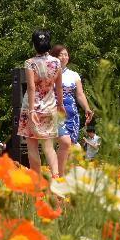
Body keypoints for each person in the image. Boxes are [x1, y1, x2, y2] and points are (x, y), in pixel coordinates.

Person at [17, 30, 65, 176]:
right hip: (49, 107)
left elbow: (31, 87)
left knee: (32, 146)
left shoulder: (30, 63)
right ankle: (56, 178)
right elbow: (59, 86)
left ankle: (36, 182)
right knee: (48, 147)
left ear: (34, 45)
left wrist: (31, 110)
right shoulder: (57, 62)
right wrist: (60, 104)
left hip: (30, 108)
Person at [51, 45, 94, 174]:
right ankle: (58, 174)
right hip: (55, 111)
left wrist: (87, 108)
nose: (64, 57)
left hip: (72, 113)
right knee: (65, 142)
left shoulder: (74, 75)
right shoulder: (49, 73)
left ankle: (63, 174)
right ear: (54, 57)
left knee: (69, 145)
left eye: (66, 54)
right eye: (61, 54)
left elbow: (80, 94)